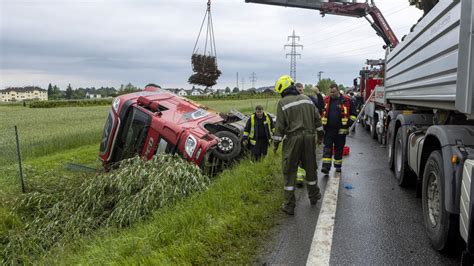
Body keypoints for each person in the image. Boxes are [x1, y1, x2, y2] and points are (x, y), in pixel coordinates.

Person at [273, 75, 325, 215]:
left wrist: (275, 144)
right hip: (309, 138)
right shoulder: (307, 99)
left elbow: (279, 127)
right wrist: (320, 137)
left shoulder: (282, 102)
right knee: (310, 167)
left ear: (283, 89)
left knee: (290, 171)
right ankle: (314, 196)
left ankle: (289, 205)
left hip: (293, 140)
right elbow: (318, 120)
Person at [321, 83, 357, 174]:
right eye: (330, 92)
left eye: (333, 92)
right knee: (327, 148)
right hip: (328, 130)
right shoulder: (326, 100)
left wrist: (348, 123)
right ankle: (326, 167)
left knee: (339, 149)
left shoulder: (347, 100)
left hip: (341, 130)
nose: (332, 94)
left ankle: (337, 166)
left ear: (337, 90)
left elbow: (353, 115)